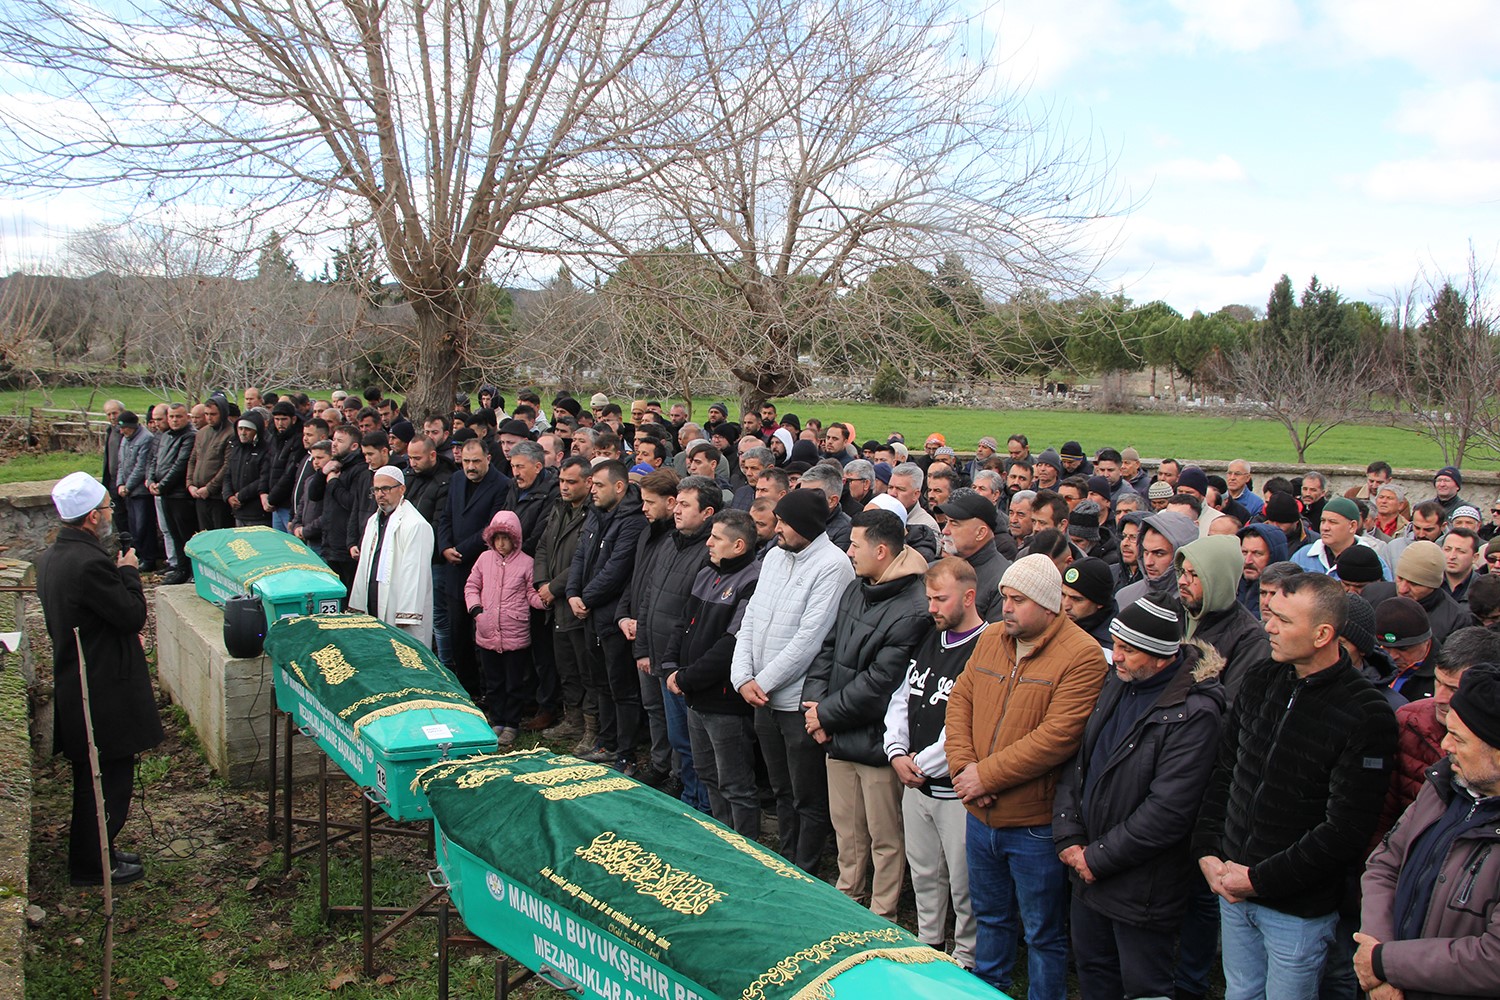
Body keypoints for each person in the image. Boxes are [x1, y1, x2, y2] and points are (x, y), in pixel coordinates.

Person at [1193, 572, 1397, 1000]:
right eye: (1271, 616)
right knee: (1240, 992)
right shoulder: (1262, 677)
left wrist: (1260, 880)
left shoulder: (1366, 713)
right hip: (1232, 887)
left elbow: (1344, 828)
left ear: (1323, 633)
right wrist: (1209, 851)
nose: (1268, 626)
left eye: (1283, 620)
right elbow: (1226, 771)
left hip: (1295, 910)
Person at [945, 553, 1109, 999]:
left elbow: (1058, 737)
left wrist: (986, 777)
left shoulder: (1082, 655)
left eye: (1018, 600)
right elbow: (960, 701)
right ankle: (988, 989)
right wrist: (963, 768)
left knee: (1042, 932)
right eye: (1004, 597)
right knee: (990, 917)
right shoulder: (993, 638)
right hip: (980, 814)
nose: (1007, 608)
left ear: (1047, 603)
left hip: (1034, 822)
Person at [1054, 596, 1226, 1000]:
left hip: (1142, 887)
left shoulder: (1194, 713)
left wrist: (1097, 858)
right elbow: (1079, 763)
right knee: (1095, 973)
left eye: (1128, 650)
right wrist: (1068, 835)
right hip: (1087, 872)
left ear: (1162, 657)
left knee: (1143, 986)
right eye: (1116, 645)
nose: (1116, 657)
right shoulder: (1118, 683)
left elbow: (1168, 810)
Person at [37, 471, 165, 886]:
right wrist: (129, 573)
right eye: (108, 509)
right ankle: (93, 864)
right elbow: (130, 615)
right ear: (93, 518)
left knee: (95, 779)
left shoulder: (54, 555)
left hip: (82, 676)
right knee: (107, 780)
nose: (110, 515)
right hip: (102, 686)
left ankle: (98, 849)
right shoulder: (91, 563)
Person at [802, 508, 930, 919]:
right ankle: (847, 897)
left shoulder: (913, 607)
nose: (849, 551)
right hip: (836, 732)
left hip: (874, 740)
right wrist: (815, 709)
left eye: (855, 545)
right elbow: (828, 648)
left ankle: (882, 912)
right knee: (847, 828)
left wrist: (824, 716)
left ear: (880, 550)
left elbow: (881, 684)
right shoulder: (858, 587)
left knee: (884, 835)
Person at [729, 489, 855, 873]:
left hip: (796, 701)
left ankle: (806, 865)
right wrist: (741, 677)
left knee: (806, 794)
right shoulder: (774, 557)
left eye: (784, 522)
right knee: (781, 787)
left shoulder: (833, 566)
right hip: (762, 697)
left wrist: (761, 681)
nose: (776, 528)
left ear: (805, 525)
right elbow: (751, 618)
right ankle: (784, 857)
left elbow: (810, 638)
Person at [1357, 664, 1500, 1000]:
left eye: (1460, 738)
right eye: (1447, 730)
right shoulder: (1442, 789)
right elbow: (1384, 865)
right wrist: (1378, 964)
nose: (1446, 745)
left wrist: (1384, 962)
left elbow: (1493, 959)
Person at [883, 556, 987, 969]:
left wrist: (919, 763)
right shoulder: (931, 635)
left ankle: (966, 956)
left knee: (963, 882)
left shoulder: (985, 644)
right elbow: (903, 697)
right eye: (929, 598)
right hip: (915, 781)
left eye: (940, 599)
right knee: (923, 871)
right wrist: (895, 750)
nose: (932, 607)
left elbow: (967, 723)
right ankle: (928, 942)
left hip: (956, 788)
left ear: (968, 596)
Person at [664, 510, 762, 836]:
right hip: (695, 696)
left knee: (735, 782)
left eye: (716, 538)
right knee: (708, 774)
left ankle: (747, 849)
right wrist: (671, 666)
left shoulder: (752, 581)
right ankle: (723, 837)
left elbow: (731, 645)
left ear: (737, 545)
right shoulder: (708, 572)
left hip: (723, 701)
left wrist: (687, 677)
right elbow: (683, 623)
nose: (708, 543)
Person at [566, 460, 648, 775]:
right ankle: (606, 740)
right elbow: (581, 555)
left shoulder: (632, 521)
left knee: (621, 687)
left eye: (598, 485)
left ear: (618, 486)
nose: (592, 489)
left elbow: (617, 569)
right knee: (600, 683)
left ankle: (625, 752)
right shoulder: (596, 515)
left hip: (612, 618)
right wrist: (573, 592)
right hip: (589, 614)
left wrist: (585, 598)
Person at [465, 510, 545, 744]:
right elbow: (471, 586)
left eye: (506, 538)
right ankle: (496, 719)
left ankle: (511, 722)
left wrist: (544, 600)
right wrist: (477, 611)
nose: (501, 544)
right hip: (487, 630)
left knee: (514, 682)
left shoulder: (526, 563)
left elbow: (531, 593)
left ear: (516, 539)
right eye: (497, 538)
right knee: (493, 681)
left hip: (515, 632)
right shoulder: (483, 559)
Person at [1176, 536, 1272, 702]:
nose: (1183, 581)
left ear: (1218, 580)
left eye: (1194, 574)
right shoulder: (1170, 613)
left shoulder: (1249, 638)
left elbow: (1230, 706)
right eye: (1183, 572)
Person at [348, 466, 435, 646]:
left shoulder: (415, 524)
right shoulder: (373, 521)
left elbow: (415, 573)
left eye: (386, 489)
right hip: (372, 599)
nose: (380, 494)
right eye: (376, 490)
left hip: (397, 606)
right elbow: (364, 565)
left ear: (401, 489)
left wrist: (406, 615)